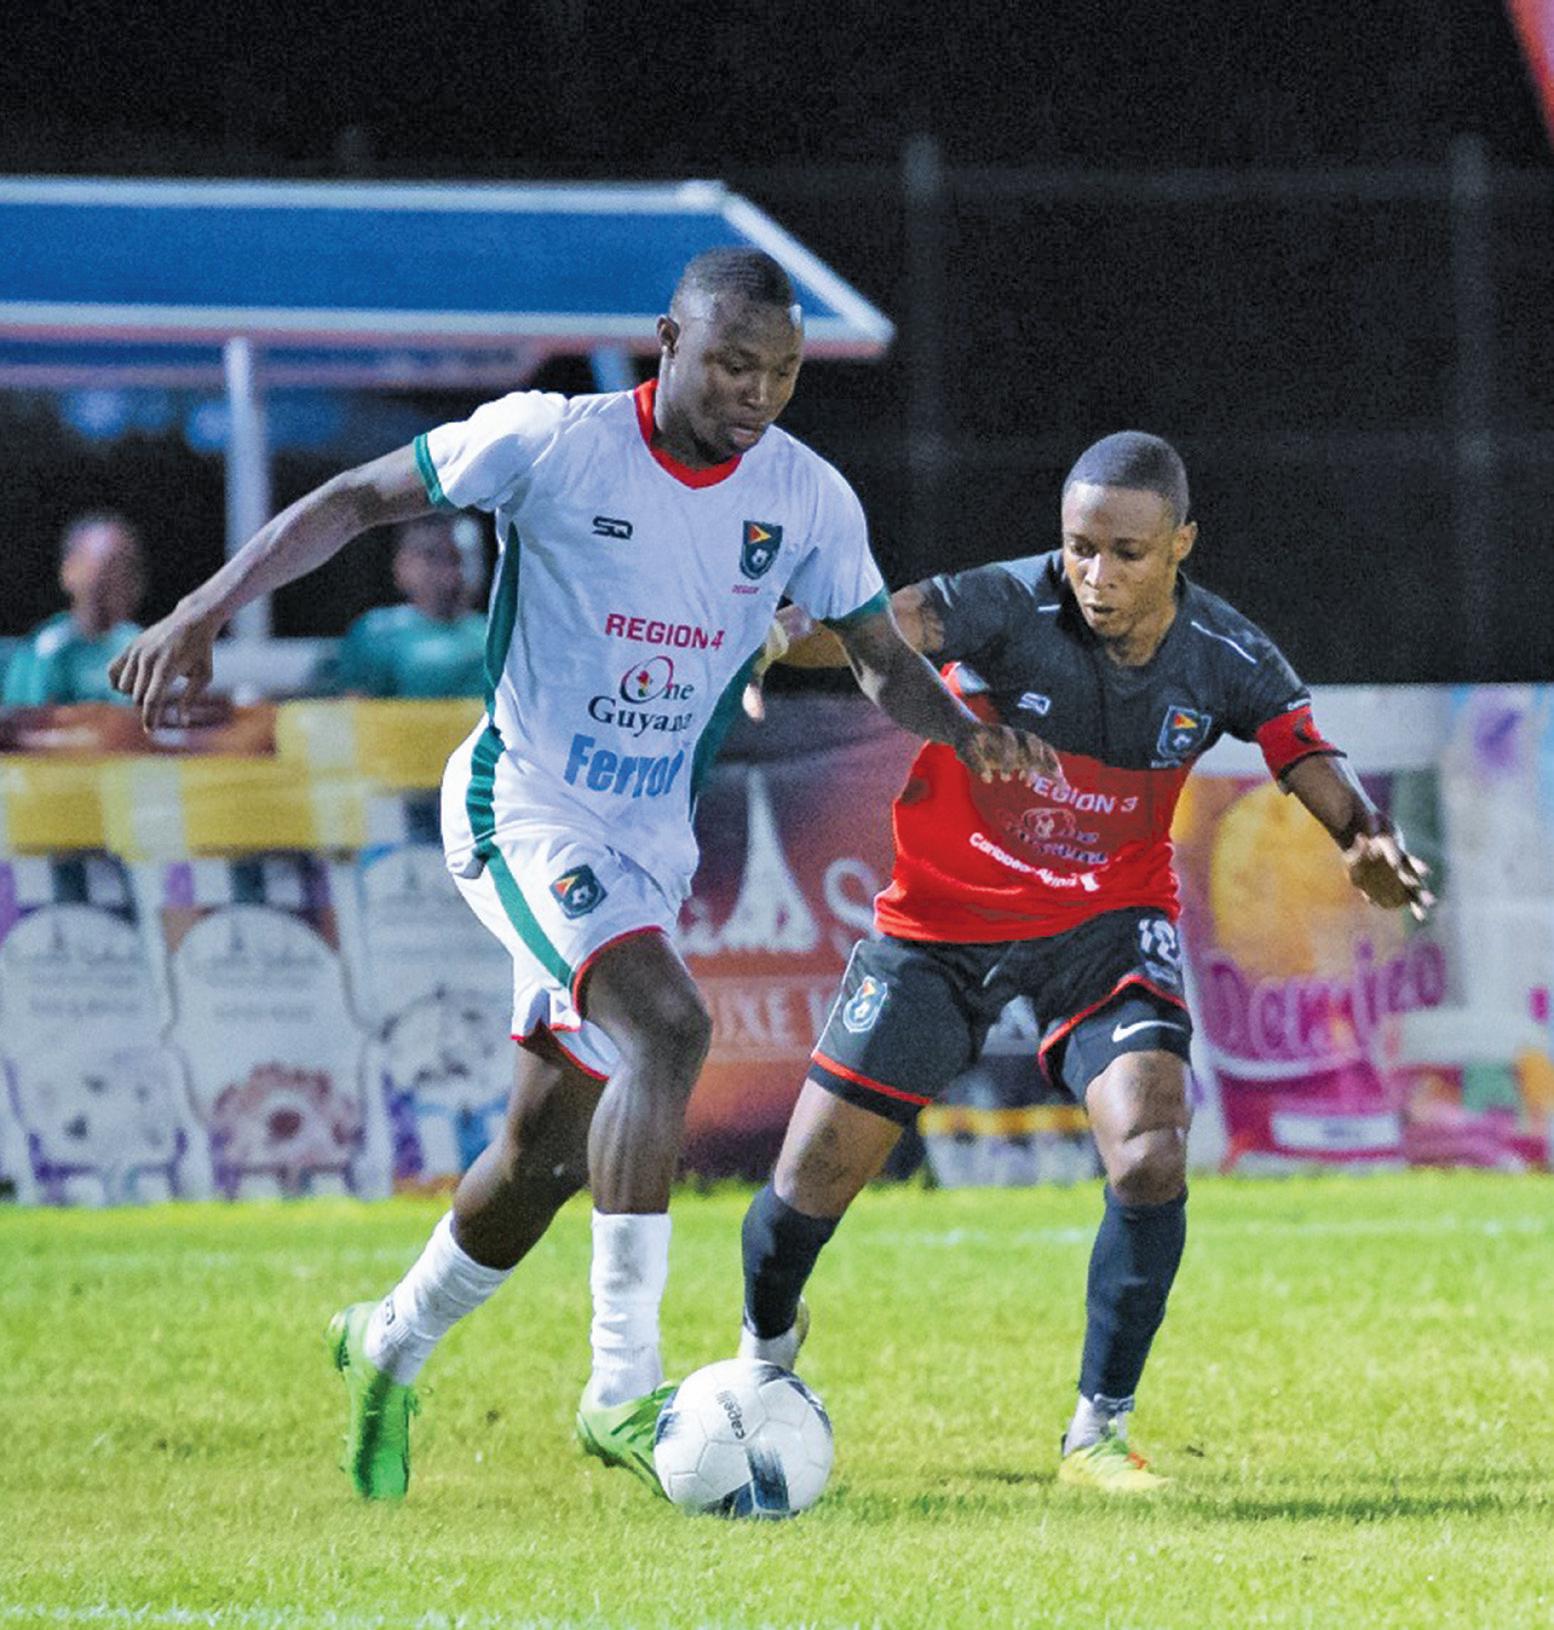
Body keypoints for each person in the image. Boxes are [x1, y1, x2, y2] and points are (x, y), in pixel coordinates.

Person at [108, 247, 1052, 1502]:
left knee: (544, 1155)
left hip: (647, 846)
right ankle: (620, 1389)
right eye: (732, 362)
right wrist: (204, 609)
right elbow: (350, 499)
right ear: (668, 339)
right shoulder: (551, 442)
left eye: (780, 372)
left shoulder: (807, 497)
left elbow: (877, 654)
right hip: (523, 809)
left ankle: (387, 1341)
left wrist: (966, 731)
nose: (757, 391)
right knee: (670, 1026)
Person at [735, 430, 1433, 1494]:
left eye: (1127, 553)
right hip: (943, 923)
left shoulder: (1226, 655)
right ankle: (762, 1355)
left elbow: (1304, 751)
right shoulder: (1010, 603)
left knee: (1151, 1149)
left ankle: (1097, 1433)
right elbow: (886, 622)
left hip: (1105, 925)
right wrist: (777, 637)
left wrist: (1363, 837)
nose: (1096, 574)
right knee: (805, 1187)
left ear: (1182, 544)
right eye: (1080, 547)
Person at [319, 515, 487, 698]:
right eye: (434, 557)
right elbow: (356, 707)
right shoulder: (377, 633)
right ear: (403, 564)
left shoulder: (497, 634)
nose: (450, 572)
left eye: (461, 558)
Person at [3, 512, 145, 705]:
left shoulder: (140, 644)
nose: (117, 580)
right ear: (69, 571)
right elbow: (24, 717)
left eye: (128, 569)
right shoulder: (48, 648)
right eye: (106, 568)